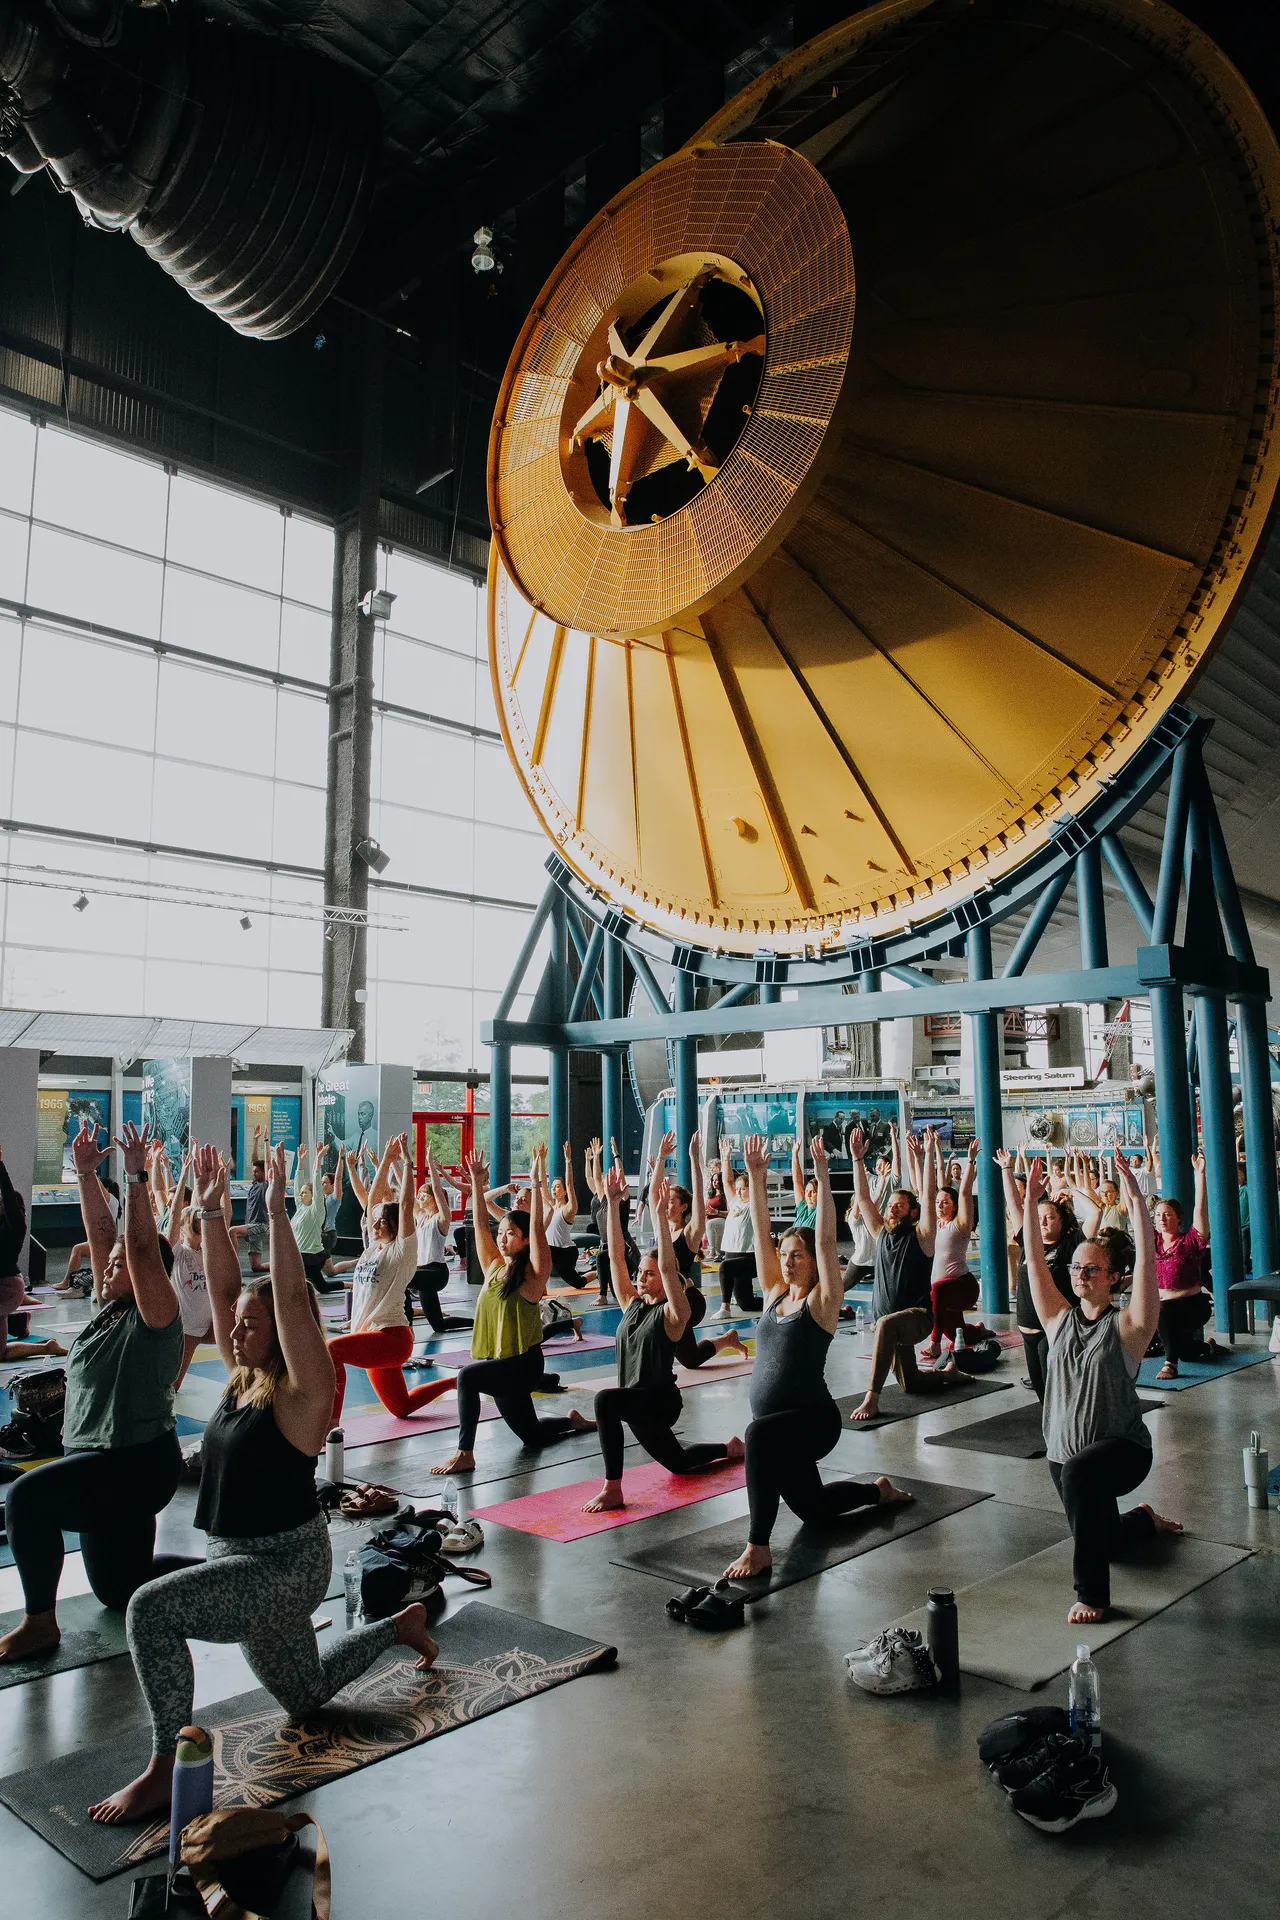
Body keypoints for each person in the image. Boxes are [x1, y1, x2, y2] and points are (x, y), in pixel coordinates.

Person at [89, 1141, 438, 1825]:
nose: (236, 1329)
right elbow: (225, 1292)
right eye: (239, 1323)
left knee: (149, 1611)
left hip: (283, 1566)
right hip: (237, 1560)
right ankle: (401, 1625)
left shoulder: (303, 1395)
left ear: (283, 1331)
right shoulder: (245, 1376)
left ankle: (165, 1766)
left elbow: (286, 1304)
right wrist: (214, 1210)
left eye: (253, 1324)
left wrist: (278, 1215)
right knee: (305, 1695)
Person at [0, 1121, 190, 1666]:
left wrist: (135, 1176)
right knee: (120, 1592)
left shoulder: (156, 1317)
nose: (105, 1267)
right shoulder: (111, 1310)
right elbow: (107, 1237)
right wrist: (85, 1174)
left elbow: (138, 1251)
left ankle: (40, 1624)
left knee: (26, 1498)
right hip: (100, 1459)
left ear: (144, 1273)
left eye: (118, 1266)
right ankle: (229, 1571)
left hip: (132, 1462)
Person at [722, 1136, 912, 1580]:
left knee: (759, 1436)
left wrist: (824, 1176)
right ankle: (876, 1491)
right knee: (816, 1511)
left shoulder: (822, 1304)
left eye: (797, 1256)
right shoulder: (772, 1293)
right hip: (784, 1429)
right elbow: (759, 1238)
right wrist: (755, 1176)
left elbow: (827, 1240)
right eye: (785, 1256)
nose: (787, 1263)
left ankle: (758, 1547)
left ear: (812, 1262)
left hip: (812, 1421)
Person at [1023, 1153, 1181, 1625]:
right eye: (1075, 1268)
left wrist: (1135, 1201)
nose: (1079, 1275)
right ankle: (1143, 1520)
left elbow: (1149, 1272)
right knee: (1103, 1539)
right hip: (1063, 1452)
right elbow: (1034, 1260)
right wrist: (1030, 1206)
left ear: (1114, 1278)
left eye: (1091, 1270)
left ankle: (1093, 1597)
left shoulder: (1129, 1327)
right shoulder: (1057, 1320)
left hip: (1122, 1451)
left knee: (1081, 1480)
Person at [583, 1163, 743, 1512]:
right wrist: (612, 1204)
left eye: (649, 1275)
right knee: (680, 1464)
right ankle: (729, 1448)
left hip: (657, 1402)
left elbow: (669, 1268)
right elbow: (614, 1255)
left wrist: (657, 1215)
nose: (641, 1279)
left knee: (604, 1401)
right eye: (640, 1273)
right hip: (636, 1403)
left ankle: (613, 1488)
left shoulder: (674, 1315)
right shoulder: (632, 1304)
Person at [431, 1147, 595, 1476]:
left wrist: (535, 1185)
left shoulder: (532, 1277)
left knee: (466, 1376)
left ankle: (465, 1453)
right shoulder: (494, 1267)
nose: (503, 1239)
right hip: (500, 1362)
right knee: (532, 1436)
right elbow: (479, 1226)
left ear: (524, 1240)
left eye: (511, 1234)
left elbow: (537, 1232)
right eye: (502, 1233)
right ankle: (571, 1420)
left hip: (522, 1365)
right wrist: (477, 1185)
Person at [326, 1136, 455, 1424]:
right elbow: (372, 1200)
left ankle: (332, 1423)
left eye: (383, 1221)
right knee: (401, 1408)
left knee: (332, 1350)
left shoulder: (402, 1249)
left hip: (391, 1337)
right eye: (376, 1221)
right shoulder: (373, 1246)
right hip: (374, 1335)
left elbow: (406, 1203)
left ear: (396, 1226)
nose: (376, 1224)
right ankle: (456, 1383)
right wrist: (384, 1160)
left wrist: (407, 1163)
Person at [848, 1126, 960, 1422]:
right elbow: (862, 1199)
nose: (892, 1207)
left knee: (885, 1325)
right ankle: (949, 1374)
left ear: (913, 1212)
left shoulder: (922, 1235)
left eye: (900, 1204)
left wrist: (922, 1158)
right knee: (911, 1384)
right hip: (889, 1322)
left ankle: (872, 1397)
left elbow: (929, 1193)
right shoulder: (880, 1234)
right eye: (890, 1203)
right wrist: (857, 1160)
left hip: (917, 1317)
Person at [653, 1131, 744, 1370]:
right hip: (663, 1299)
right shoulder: (661, 1229)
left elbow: (699, 1201)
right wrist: (661, 1159)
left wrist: (694, 1159)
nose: (667, 1203)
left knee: (656, 1325)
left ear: (684, 1206)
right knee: (690, 1360)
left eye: (672, 1200)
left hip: (687, 1301)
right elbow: (654, 1196)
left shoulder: (689, 1235)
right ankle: (727, 1340)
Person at [997, 1150, 1080, 1402]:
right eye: (1039, 1218)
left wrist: (1071, 1189)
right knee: (1042, 1392)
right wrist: (1006, 1170)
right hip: (1027, 1326)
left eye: (1050, 1218)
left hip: (1054, 1327)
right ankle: (1053, 1432)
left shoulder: (1070, 1245)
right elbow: (1014, 1203)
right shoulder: (1029, 1243)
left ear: (1062, 1221)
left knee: (1058, 1388)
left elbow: (1093, 1216)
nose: (1043, 1223)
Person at [1152, 1151, 1224, 1379]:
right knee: (1186, 1351)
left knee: (1163, 1313)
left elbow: (1200, 1210)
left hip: (1192, 1305)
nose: (1162, 1219)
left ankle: (1170, 1364)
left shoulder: (1190, 1241)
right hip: (1165, 1306)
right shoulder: (1152, 1242)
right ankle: (1206, 1347)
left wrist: (1200, 1175)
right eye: (1158, 1215)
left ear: (1179, 1218)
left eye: (1168, 1214)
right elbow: (1135, 1211)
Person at [163, 1144, 224, 1389]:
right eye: (194, 1219)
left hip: (209, 1322)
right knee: (175, 1379)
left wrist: (221, 1183)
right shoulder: (177, 1250)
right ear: (185, 1224)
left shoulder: (209, 1250)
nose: (199, 1220)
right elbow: (175, 1211)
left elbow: (223, 1215)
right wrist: (182, 1177)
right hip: (186, 1325)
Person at [0, 1143, 67, 1361]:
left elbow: (9, 1200)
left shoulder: (15, 1227)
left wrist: (1, 1167)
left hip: (6, 1288)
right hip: (9, 1287)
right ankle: (47, 1346)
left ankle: (20, 1320)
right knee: (1, 1353)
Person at [922, 1137, 981, 1359]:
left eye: (945, 1202)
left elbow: (965, 1192)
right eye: (938, 1202)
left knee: (937, 1291)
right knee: (961, 1335)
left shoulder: (961, 1225)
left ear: (955, 1205)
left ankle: (934, 1344)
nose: (939, 1206)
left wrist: (971, 1161)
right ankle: (980, 1330)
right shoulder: (933, 1225)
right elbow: (929, 1188)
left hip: (963, 1287)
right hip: (943, 1294)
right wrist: (928, 1152)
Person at [409, 1145, 470, 1333]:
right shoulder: (420, 1217)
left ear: (434, 1198)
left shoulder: (441, 1219)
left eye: (424, 1195)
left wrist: (430, 1165)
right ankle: (477, 1322)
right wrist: (400, 1163)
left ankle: (405, 1327)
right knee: (439, 1326)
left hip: (435, 1272)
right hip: (422, 1273)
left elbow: (437, 1190)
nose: (419, 1197)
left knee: (400, 1278)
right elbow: (407, 1194)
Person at [289, 1143, 342, 1294]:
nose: (301, 1195)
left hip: (312, 1257)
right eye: (301, 1193)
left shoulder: (316, 1209)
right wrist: (300, 1161)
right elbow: (297, 1183)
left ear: (313, 1196)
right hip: (301, 1255)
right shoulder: (301, 1208)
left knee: (297, 1284)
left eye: (305, 1192)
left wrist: (318, 1160)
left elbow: (318, 1189)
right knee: (322, 1287)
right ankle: (348, 1285)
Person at [714, 1156, 758, 1316]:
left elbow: (758, 1186)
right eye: (737, 1189)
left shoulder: (754, 1204)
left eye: (743, 1189)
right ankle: (779, 1301)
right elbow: (727, 1181)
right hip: (731, 1253)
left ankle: (724, 1307)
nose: (738, 1192)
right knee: (747, 1304)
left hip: (749, 1257)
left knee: (725, 1267)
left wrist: (753, 1167)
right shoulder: (734, 1203)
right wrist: (726, 1158)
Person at [542, 1142, 582, 1286]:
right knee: (538, 1249)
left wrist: (568, 1160)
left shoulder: (569, 1209)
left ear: (564, 1191)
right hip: (553, 1252)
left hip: (566, 1252)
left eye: (558, 1187)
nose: (554, 1189)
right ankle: (541, 1287)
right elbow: (543, 1188)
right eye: (553, 1187)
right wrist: (541, 1160)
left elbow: (570, 1184)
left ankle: (599, 1272)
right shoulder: (551, 1208)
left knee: (579, 1283)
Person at [242, 1141, 269, 1274]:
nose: (254, 1174)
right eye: (253, 1172)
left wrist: (266, 1142)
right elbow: (254, 1161)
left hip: (260, 1226)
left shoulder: (265, 1185)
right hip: (251, 1225)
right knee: (256, 1266)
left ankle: (229, 1268)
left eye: (257, 1172)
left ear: (265, 1172)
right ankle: (282, 1263)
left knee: (232, 1232)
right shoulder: (255, 1184)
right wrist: (255, 1140)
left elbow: (267, 1164)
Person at [790, 1142, 818, 1230]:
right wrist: (794, 1155)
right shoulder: (802, 1208)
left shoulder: (820, 1212)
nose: (808, 1195)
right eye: (806, 1191)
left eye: (813, 1192)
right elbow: (797, 1182)